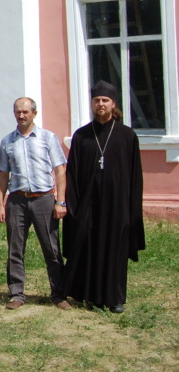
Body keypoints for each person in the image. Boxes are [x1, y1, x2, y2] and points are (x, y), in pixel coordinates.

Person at [63, 81, 145, 313]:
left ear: (113, 104)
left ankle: (115, 297)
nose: (101, 104)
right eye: (97, 100)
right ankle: (90, 295)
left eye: (105, 100)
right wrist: (74, 207)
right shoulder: (82, 136)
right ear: (92, 103)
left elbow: (135, 176)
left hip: (117, 206)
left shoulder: (127, 136)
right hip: (88, 204)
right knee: (89, 246)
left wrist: (132, 209)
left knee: (114, 249)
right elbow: (73, 173)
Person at [0, 97, 71, 310]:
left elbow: (59, 171)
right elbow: (3, 175)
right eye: (18, 112)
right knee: (15, 248)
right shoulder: (7, 141)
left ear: (34, 113)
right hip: (17, 200)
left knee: (51, 248)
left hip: (44, 200)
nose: (21, 116)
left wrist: (60, 201)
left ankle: (58, 293)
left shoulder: (48, 138)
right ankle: (16, 293)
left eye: (25, 112)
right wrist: (1, 204)